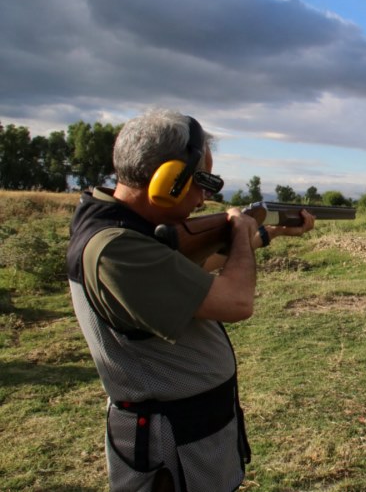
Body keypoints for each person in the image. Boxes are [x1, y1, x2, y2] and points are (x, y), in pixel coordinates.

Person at [66, 109, 315, 491]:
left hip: (189, 430)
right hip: (170, 441)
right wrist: (240, 231)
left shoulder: (125, 227)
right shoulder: (118, 247)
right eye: (202, 182)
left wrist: (269, 234)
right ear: (169, 180)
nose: (205, 198)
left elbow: (188, 268)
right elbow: (236, 302)